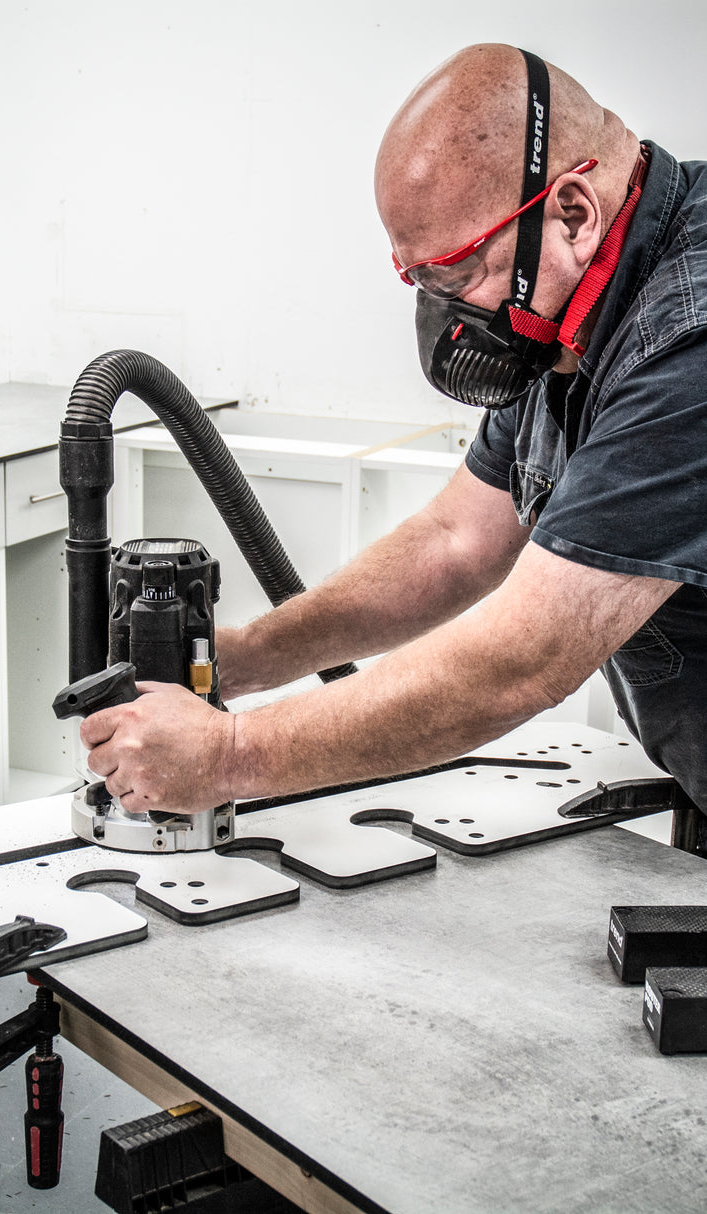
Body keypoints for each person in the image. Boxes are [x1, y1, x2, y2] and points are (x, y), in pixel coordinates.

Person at [80, 43, 707, 849]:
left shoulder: (688, 344)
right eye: (418, 282)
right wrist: (237, 660)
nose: (445, 321)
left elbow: (523, 659)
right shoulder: (576, 319)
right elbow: (457, 543)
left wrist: (229, 752)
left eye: (454, 275)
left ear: (574, 214)